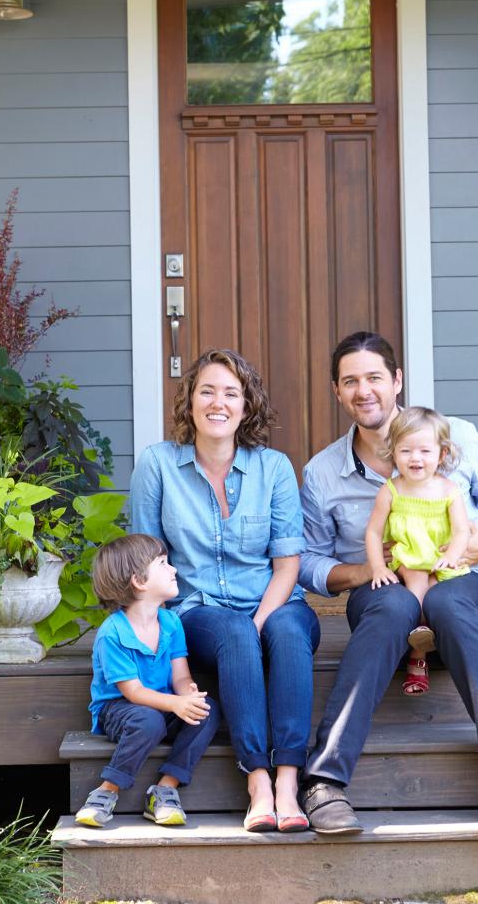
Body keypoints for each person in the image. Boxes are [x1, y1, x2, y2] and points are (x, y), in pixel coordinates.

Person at [299, 331, 478, 837]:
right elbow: (306, 560)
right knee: (389, 607)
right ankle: (324, 781)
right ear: (337, 391)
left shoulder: (456, 436)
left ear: (396, 381)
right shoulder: (323, 472)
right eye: (350, 381)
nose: (363, 391)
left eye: (373, 378)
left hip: (463, 585)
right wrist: (364, 572)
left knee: (452, 602)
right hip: (384, 596)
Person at [130, 348, 320, 833]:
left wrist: (260, 622)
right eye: (207, 391)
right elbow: (145, 560)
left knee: (289, 634)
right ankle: (258, 779)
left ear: (246, 405)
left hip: (274, 598)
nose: (219, 402)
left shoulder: (273, 467)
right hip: (197, 609)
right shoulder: (158, 464)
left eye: (231, 393)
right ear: (189, 402)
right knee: (234, 633)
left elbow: (288, 565)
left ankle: (288, 782)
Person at [75, 534, 221, 829]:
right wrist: (176, 703)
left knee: (208, 710)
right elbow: (133, 692)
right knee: (148, 721)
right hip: (120, 710)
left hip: (162, 704)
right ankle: (107, 790)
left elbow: (180, 674)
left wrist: (188, 694)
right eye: (163, 563)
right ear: (139, 582)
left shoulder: (171, 623)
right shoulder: (113, 633)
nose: (174, 569)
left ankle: (166, 789)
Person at [364, 406, 469, 696]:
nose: (415, 458)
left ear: (442, 454)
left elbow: (462, 531)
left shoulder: (449, 490)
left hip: (438, 559)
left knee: (440, 596)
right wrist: (378, 567)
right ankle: (417, 656)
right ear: (394, 452)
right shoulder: (392, 490)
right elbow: (373, 531)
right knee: (419, 585)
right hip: (409, 557)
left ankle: (422, 644)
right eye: (406, 450)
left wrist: (452, 555)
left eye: (425, 451)